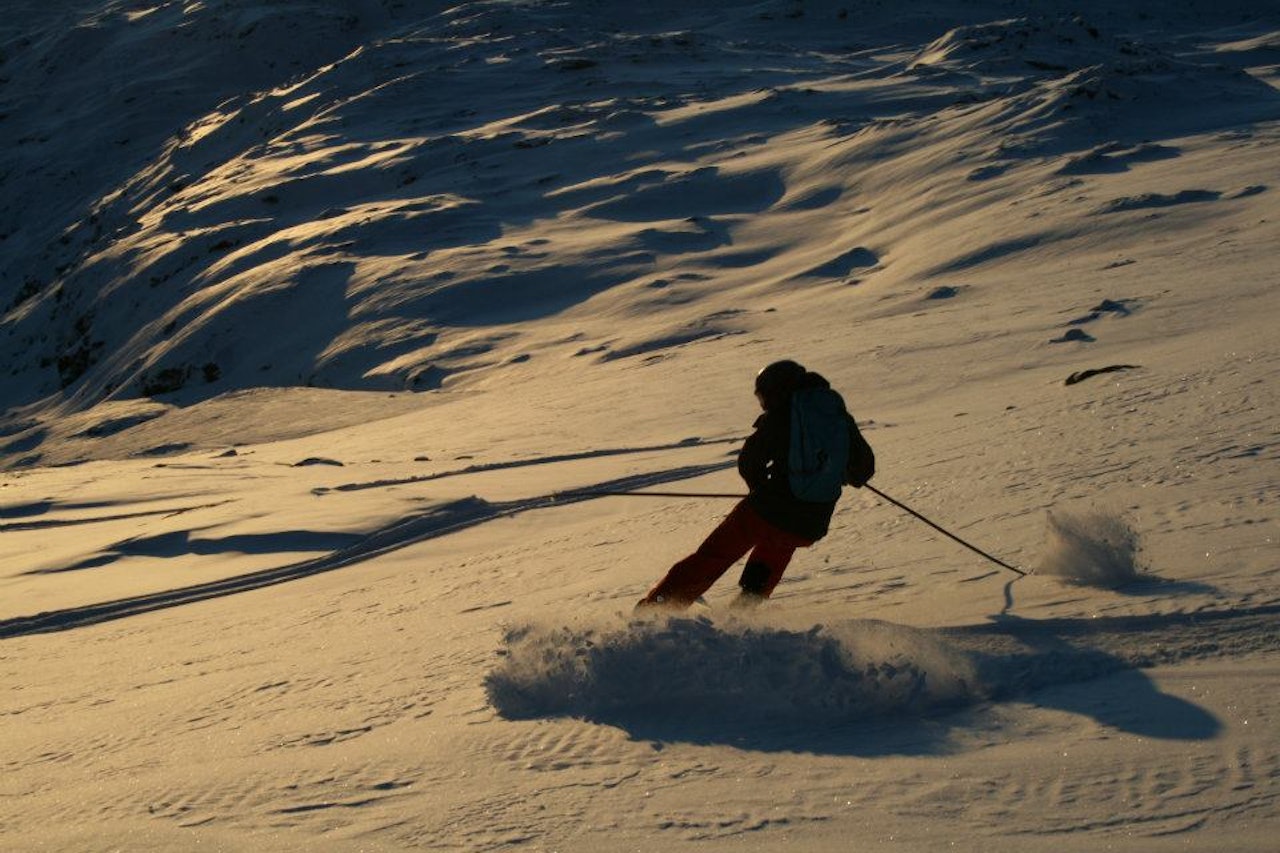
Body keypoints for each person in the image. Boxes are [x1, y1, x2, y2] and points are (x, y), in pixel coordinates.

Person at [637, 360, 871, 610]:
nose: (764, 403)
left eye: (764, 396)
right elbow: (863, 470)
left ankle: (655, 609)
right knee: (774, 553)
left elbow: (749, 461)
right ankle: (741, 614)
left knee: (714, 556)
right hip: (811, 520)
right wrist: (830, 474)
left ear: (777, 390)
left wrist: (760, 490)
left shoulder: (781, 414)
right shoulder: (836, 415)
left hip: (768, 508)